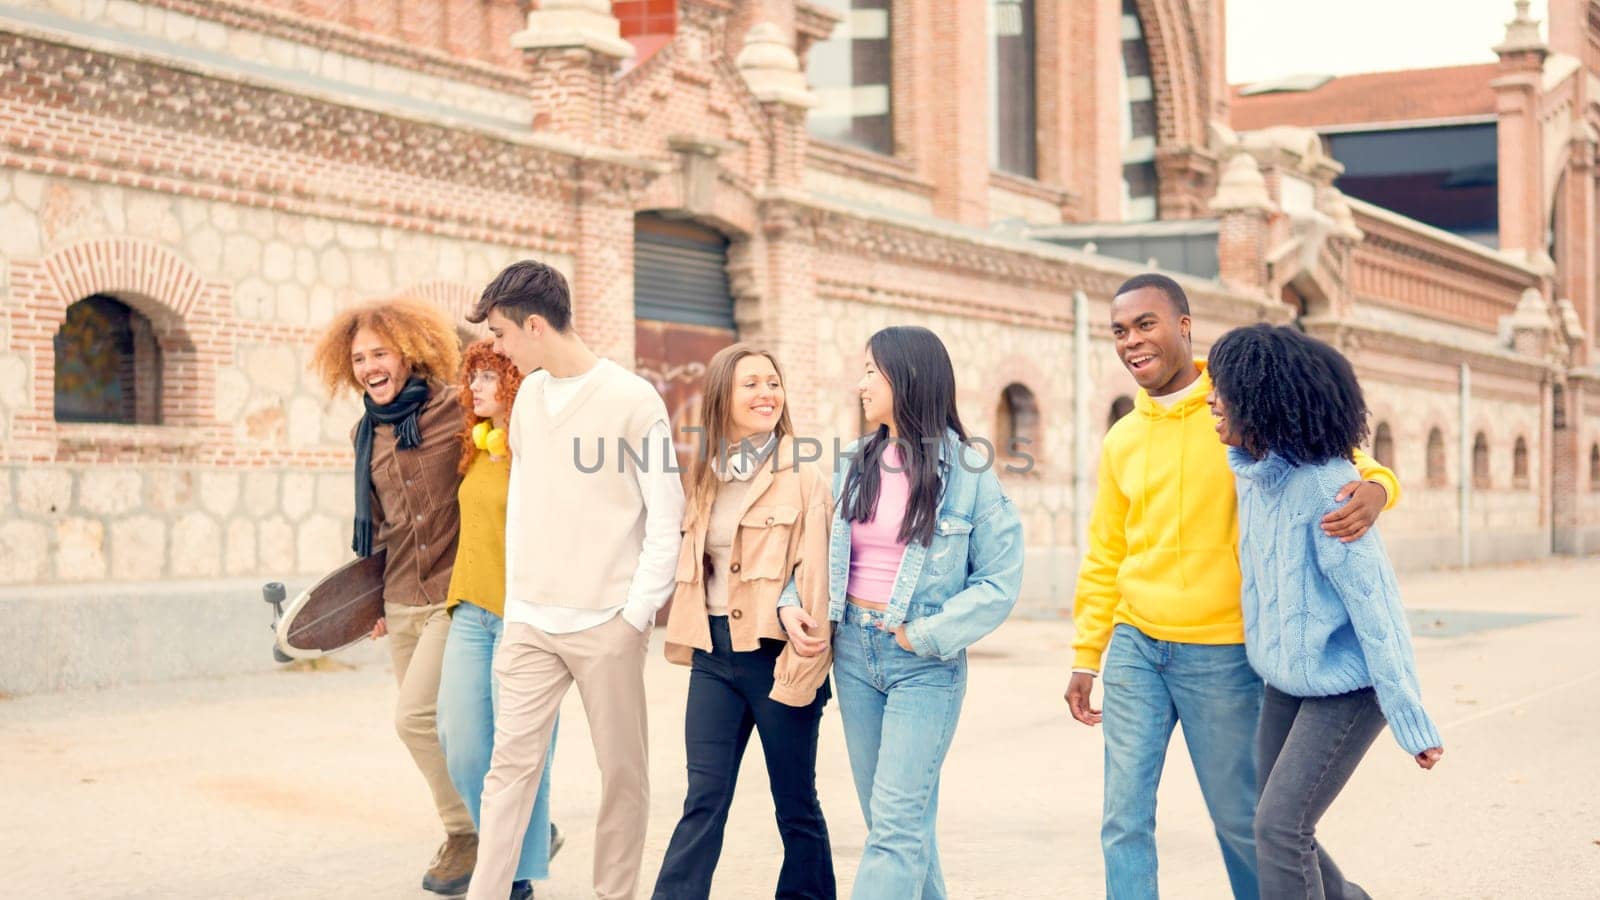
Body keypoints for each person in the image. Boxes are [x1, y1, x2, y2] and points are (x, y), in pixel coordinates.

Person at [1062, 273, 1402, 900]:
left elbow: (1331, 451)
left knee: (1243, 819)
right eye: (1119, 331)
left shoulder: (1236, 410)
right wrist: (1088, 652)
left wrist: (1379, 486)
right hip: (1137, 646)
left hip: (1221, 652)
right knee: (1123, 819)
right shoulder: (1122, 438)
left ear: (1184, 327)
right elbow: (1106, 550)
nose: (1131, 341)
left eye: (1145, 324)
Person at [464, 261, 685, 900]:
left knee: (623, 776)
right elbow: (533, 501)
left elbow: (665, 517)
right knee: (508, 773)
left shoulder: (634, 400)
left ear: (536, 326)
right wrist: (518, 605)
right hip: (532, 621)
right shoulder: (528, 396)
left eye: (503, 334)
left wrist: (633, 618)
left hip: (605, 624)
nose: (498, 349)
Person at [1207, 323, 1443, 900]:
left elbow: (1378, 612)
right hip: (1288, 681)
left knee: (1280, 828)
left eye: (1224, 388)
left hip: (1349, 688)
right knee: (1275, 824)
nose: (1211, 400)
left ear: (1264, 400)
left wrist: (1409, 716)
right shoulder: (1253, 477)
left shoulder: (1328, 488)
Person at [794, 325, 1024, 900]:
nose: (861, 383)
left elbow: (999, 580)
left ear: (909, 376)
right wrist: (793, 605)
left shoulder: (968, 471)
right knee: (896, 825)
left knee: (895, 829)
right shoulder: (853, 461)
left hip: (922, 661)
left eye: (873, 370)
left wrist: (925, 633)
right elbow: (818, 552)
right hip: (852, 653)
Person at [652, 343, 837, 900]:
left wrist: (804, 665)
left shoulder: (805, 476)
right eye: (751, 384)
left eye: (773, 383)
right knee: (703, 797)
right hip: (712, 657)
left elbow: (817, 580)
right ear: (722, 399)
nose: (766, 395)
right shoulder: (703, 477)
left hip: (776, 656)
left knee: (795, 802)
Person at [309, 298, 477, 895]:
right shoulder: (365, 433)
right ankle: (519, 824)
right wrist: (371, 599)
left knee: (414, 719)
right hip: (401, 596)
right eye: (358, 358)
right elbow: (377, 528)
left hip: (459, 594)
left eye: (380, 353)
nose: (369, 366)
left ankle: (467, 832)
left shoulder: (458, 409)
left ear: (410, 353)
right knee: (449, 729)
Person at [436, 340, 564, 900]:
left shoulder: (542, 453)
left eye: (490, 376)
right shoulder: (476, 446)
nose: (477, 387)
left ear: (518, 382)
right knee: (460, 742)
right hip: (469, 610)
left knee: (522, 753)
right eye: (474, 377)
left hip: (526, 619)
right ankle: (505, 853)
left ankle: (512, 878)